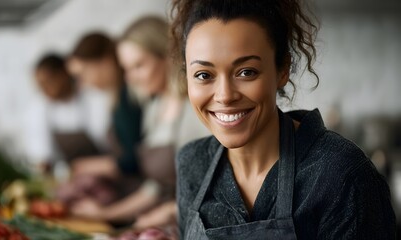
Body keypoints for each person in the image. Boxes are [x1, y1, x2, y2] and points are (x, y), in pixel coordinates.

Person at [171, 0, 396, 239]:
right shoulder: (192, 164)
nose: (225, 96)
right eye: (204, 75)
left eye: (247, 72)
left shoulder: (341, 175)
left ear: (283, 70)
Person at [71, 16, 209, 229]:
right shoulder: (153, 109)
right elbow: (155, 188)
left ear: (167, 56)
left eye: (139, 66)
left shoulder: (194, 110)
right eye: (126, 68)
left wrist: (167, 212)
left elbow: (209, 192)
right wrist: (105, 214)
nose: (130, 78)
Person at [57, 33, 144, 208]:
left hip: (138, 196)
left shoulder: (128, 99)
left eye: (82, 74)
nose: (82, 84)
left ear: (104, 61)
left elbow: (133, 160)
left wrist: (87, 166)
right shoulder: (117, 97)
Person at [25, 53, 98, 174]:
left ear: (63, 74)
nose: (45, 90)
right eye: (40, 85)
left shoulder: (90, 95)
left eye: (48, 82)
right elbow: (41, 152)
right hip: (68, 172)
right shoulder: (40, 108)